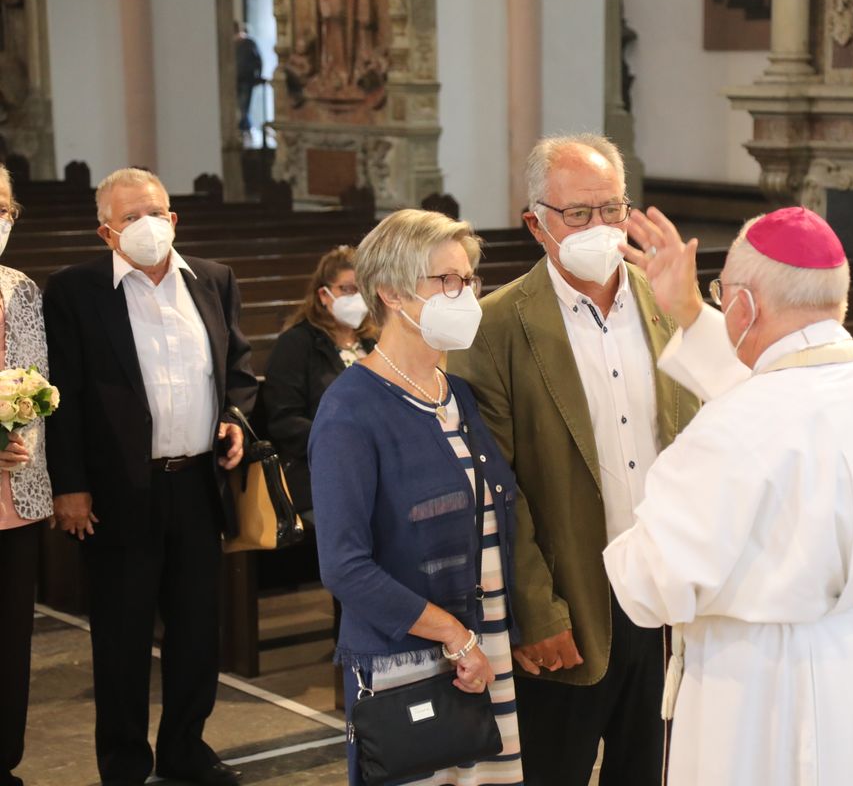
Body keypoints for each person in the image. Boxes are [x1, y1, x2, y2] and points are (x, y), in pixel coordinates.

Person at [603, 205, 853, 785]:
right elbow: (783, 402)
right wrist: (690, 311)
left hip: (763, 687)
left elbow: (651, 583)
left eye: (722, 295)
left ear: (745, 306)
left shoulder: (737, 424)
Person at [448, 134, 701, 785]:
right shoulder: (495, 326)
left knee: (654, 771)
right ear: (537, 224)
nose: (600, 227)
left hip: (668, 597)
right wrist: (535, 611)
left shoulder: (671, 305)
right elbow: (494, 489)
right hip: (570, 602)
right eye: (579, 213)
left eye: (612, 209)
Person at [44, 167, 257, 786]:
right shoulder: (76, 290)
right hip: (119, 491)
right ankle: (124, 762)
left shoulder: (213, 279)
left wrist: (235, 420)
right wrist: (69, 484)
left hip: (197, 484)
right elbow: (65, 395)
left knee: (196, 630)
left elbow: (238, 371)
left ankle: (186, 749)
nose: (147, 225)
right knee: (122, 636)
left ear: (174, 219)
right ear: (106, 231)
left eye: (155, 213)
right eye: (130, 217)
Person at [309, 209, 523, 786]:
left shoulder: (458, 396)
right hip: (411, 660)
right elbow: (344, 567)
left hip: (484, 648)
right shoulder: (350, 410)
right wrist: (453, 636)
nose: (465, 295)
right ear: (391, 292)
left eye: (468, 280)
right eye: (447, 281)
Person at [0, 166, 53, 786]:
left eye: (5, 209)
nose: (1, 220)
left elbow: (39, 384)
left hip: (18, 494)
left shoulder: (22, 288)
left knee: (11, 641)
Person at [264, 245, 375, 523]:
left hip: (376, 467)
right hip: (319, 472)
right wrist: (344, 442)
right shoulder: (296, 344)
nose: (357, 297)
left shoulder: (373, 343)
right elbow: (284, 420)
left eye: (363, 289)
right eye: (348, 289)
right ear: (324, 295)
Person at [234, 22, 263, 140]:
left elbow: (258, 61)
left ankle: (245, 128)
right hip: (236, 79)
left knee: (244, 105)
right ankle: (244, 128)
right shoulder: (233, 44)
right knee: (241, 105)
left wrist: (258, 76)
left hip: (246, 78)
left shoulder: (248, 43)